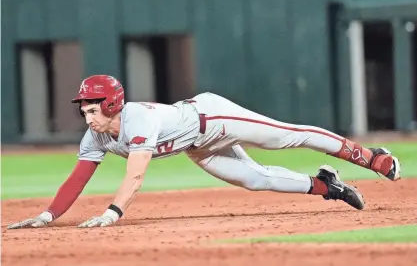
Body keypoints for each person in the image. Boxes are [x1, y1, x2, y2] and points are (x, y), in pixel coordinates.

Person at [8, 75, 401, 229]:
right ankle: (327, 186)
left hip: (214, 118)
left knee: (286, 136)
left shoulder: (137, 121)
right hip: (197, 145)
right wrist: (48, 215)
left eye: (91, 108)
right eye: (84, 109)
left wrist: (113, 212)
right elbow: (78, 177)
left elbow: (137, 175)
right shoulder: (95, 137)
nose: (86, 115)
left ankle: (370, 157)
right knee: (254, 179)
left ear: (111, 105)